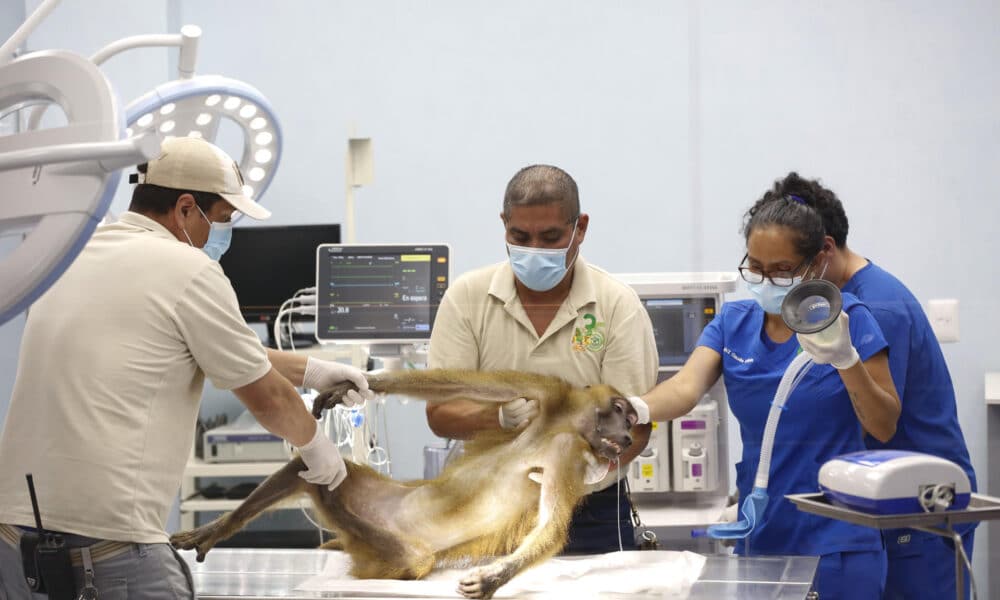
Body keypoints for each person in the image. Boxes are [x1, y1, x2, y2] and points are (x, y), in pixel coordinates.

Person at [0, 137, 373, 599]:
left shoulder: (75, 256)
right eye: (222, 220)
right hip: (109, 551)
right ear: (185, 209)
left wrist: (316, 371)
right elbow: (269, 398)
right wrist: (321, 454)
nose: (225, 234)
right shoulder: (188, 268)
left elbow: (194, 345)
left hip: (16, 543)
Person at [633, 193, 901, 599]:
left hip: (839, 539)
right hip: (762, 532)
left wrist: (847, 360)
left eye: (782, 269)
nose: (765, 279)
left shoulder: (847, 319)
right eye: (755, 267)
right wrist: (632, 408)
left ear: (815, 264)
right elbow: (684, 389)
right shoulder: (733, 323)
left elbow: (884, 425)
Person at [763, 172, 977, 600]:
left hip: (918, 507)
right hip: (884, 498)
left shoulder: (875, 306)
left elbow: (874, 419)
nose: (777, 283)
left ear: (823, 250)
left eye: (787, 268)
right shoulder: (828, 304)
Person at [425, 164, 658, 553]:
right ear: (504, 224)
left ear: (580, 228)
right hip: (489, 507)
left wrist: (584, 474)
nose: (534, 250)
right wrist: (498, 416)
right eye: (520, 236)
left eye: (551, 237)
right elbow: (440, 412)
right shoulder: (467, 298)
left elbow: (636, 424)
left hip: (590, 511)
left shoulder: (616, 304)